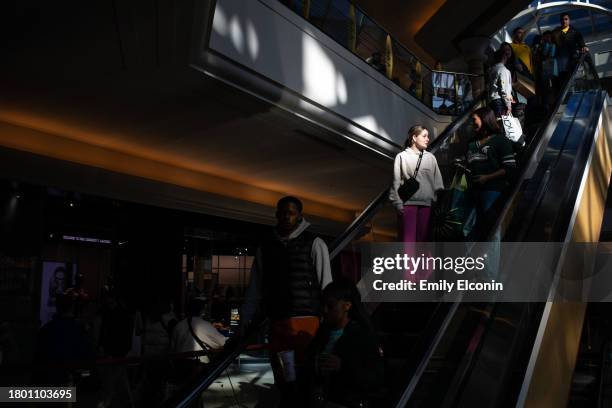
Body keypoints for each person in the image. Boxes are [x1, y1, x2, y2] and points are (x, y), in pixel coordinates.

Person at [241, 195, 332, 407]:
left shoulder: (314, 243)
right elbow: (255, 287)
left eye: (290, 213)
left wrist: (327, 322)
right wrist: (246, 319)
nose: (285, 217)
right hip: (279, 322)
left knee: (304, 378)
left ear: (300, 216)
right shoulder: (266, 247)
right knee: (285, 380)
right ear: (276, 214)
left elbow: (326, 284)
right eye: (281, 213)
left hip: (305, 323)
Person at [306, 278, 383, 408]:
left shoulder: (362, 335)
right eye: (323, 305)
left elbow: (375, 378)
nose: (325, 310)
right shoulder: (323, 332)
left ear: (347, 305)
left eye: (331, 305)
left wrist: (343, 366)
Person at [390, 125, 444, 242]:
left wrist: (435, 202)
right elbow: (396, 182)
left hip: (427, 206)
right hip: (407, 205)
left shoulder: (431, 158)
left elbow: (438, 183)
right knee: (407, 243)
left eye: (428, 136)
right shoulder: (402, 157)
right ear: (414, 137)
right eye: (424, 136)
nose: (427, 139)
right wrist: (398, 204)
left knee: (424, 244)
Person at [465, 107, 516, 230]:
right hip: (473, 192)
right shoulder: (471, 143)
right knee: (471, 231)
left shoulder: (501, 141)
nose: (472, 124)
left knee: (490, 230)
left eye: (474, 120)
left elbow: (509, 167)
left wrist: (487, 177)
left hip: (493, 191)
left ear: (485, 119)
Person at [552, 13, 588, 85]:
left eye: (566, 19)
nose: (564, 21)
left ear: (569, 20)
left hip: (572, 61)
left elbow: (581, 43)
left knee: (575, 80)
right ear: (560, 21)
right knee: (563, 82)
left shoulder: (575, 32)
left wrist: (584, 47)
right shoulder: (555, 32)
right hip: (560, 63)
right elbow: (552, 44)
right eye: (562, 19)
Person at [488, 49, 513, 117]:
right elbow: (504, 89)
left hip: (491, 101)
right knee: (502, 124)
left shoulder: (491, 70)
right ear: (504, 57)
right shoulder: (503, 70)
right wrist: (508, 105)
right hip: (500, 102)